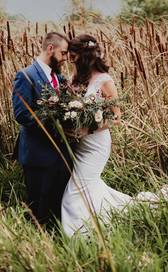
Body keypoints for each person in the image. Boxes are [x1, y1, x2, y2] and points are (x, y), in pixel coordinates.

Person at [60, 33, 155, 237]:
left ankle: (78, 235)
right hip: (79, 144)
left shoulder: (105, 81)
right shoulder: (75, 79)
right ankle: (112, 216)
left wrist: (88, 128)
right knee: (90, 186)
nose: (71, 61)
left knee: (74, 192)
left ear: (84, 56)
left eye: (74, 57)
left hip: (96, 144)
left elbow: (116, 117)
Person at [11, 31, 75, 228]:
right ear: (50, 49)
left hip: (61, 155)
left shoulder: (61, 79)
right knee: (39, 208)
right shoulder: (25, 76)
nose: (65, 59)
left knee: (58, 207)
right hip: (38, 153)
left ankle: (58, 246)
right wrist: (52, 117)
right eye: (63, 53)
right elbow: (22, 115)